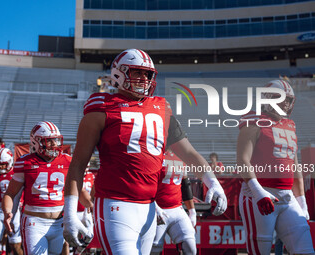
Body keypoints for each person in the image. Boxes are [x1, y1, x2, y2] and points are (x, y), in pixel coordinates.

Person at [63, 49, 227, 254]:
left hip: (149, 208)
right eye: (137, 72)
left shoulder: (161, 108)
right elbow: (78, 164)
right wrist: (70, 212)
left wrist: (213, 182)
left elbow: (189, 154)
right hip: (116, 205)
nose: (143, 79)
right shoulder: (101, 108)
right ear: (119, 73)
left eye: (148, 74)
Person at [237, 79, 314, 255]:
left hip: (287, 197)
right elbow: (242, 160)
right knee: (260, 250)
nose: (287, 103)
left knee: (305, 250)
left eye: (289, 99)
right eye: (283, 98)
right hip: (259, 193)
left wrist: (302, 201)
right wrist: (257, 192)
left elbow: (295, 166)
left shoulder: (290, 125)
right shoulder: (255, 120)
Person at [1, 121, 92, 255]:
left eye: (56, 140)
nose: (54, 144)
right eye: (49, 141)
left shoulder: (68, 160)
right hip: (34, 222)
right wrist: (8, 211)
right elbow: (11, 193)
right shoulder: (25, 162)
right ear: (35, 142)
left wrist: (92, 206)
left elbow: (80, 190)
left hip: (59, 223)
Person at [151, 151, 197, 255]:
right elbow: (147, 183)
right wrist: (153, 206)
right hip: (157, 210)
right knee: (153, 249)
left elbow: (185, 184)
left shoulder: (181, 155)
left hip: (177, 209)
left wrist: (192, 211)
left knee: (190, 247)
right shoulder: (155, 154)